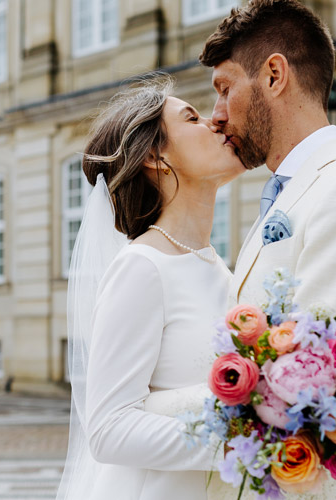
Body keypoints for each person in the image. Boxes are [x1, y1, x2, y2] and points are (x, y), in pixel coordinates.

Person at [201, 0, 336, 498]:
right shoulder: (281, 196)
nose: (216, 115)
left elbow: (309, 384)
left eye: (225, 89)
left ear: (275, 75)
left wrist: (136, 410)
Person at [55, 75, 247, 500]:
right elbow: (108, 429)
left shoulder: (218, 266)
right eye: (192, 118)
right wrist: (241, 446)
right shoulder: (141, 269)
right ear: (157, 157)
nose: (216, 122)